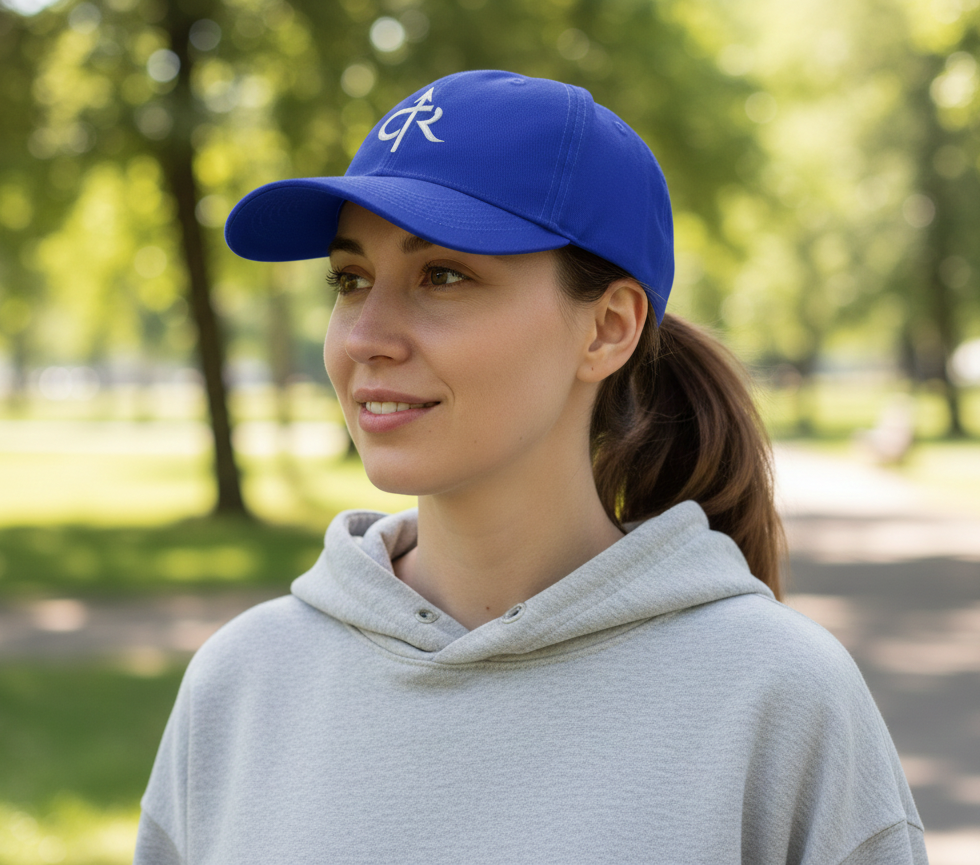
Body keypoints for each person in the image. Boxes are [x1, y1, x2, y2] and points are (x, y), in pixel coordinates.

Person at [134, 70, 927, 864]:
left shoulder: (779, 697)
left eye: (442, 276)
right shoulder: (241, 686)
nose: (365, 337)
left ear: (607, 328)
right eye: (350, 280)